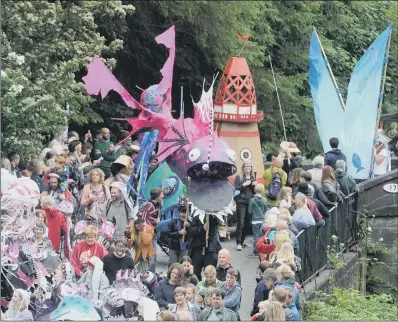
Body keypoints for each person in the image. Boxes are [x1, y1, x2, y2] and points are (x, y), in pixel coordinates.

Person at [189, 213, 221, 279]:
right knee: (195, 273)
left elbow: (217, 222)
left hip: (211, 248)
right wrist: (202, 228)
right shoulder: (196, 215)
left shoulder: (216, 214)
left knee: (209, 274)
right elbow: (191, 231)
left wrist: (211, 216)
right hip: (198, 248)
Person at [234, 161, 256, 251]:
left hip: (250, 202)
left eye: (249, 166)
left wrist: (254, 186)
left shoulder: (252, 177)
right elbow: (235, 189)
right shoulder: (239, 177)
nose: (248, 167)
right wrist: (243, 185)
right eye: (246, 166)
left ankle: (242, 241)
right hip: (241, 202)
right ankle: (238, 243)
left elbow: (254, 191)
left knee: (248, 223)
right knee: (241, 223)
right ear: (243, 167)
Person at [168, 199, 191, 266]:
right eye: (182, 212)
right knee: (174, 266)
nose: (183, 215)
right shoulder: (173, 221)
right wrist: (179, 233)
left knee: (182, 267)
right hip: (173, 248)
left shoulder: (190, 222)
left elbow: (193, 235)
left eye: (185, 213)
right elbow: (169, 234)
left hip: (184, 248)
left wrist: (189, 227)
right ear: (179, 212)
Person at [248, 184, 268, 257]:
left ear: (254, 190)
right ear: (262, 191)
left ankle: (256, 251)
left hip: (255, 220)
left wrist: (251, 218)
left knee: (256, 236)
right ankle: (263, 250)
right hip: (262, 219)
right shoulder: (265, 200)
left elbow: (250, 211)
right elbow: (265, 208)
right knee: (262, 235)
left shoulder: (252, 200)